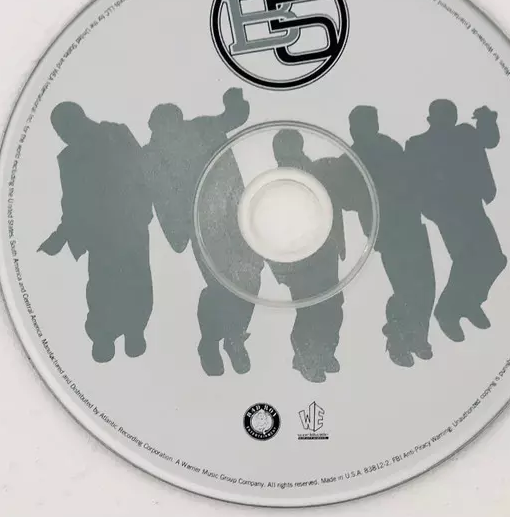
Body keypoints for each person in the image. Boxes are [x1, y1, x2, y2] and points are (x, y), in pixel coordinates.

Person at [143, 88, 263, 376]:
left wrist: (234, 97)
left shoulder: (203, 127)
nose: (170, 133)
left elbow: (234, 117)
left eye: (174, 125)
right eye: (163, 130)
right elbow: (152, 190)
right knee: (222, 287)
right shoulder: (151, 155)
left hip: (234, 217)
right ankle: (212, 342)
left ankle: (233, 336)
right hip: (201, 227)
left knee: (250, 279)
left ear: (181, 121)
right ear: (155, 131)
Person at [39, 102, 154, 363]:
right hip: (101, 235)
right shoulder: (68, 158)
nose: (62, 136)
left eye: (62, 129)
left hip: (130, 227)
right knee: (102, 287)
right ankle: (104, 336)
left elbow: (144, 171)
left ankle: (134, 331)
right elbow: (71, 202)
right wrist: (60, 236)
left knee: (135, 281)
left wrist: (143, 211)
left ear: (76, 120)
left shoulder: (117, 133)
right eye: (59, 132)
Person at [405, 100, 507, 342]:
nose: (448, 119)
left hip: (472, 206)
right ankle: (447, 311)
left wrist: (487, 119)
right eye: (443, 115)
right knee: (466, 259)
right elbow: (412, 182)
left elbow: (490, 140)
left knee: (495, 259)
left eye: (451, 115)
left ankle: (469, 302)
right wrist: (430, 209)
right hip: (447, 212)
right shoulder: (418, 144)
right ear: (431, 118)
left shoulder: (465, 134)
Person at [349, 105, 436, 367]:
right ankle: (398, 338)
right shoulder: (354, 157)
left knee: (426, 285)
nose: (367, 128)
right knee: (407, 287)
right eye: (362, 124)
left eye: (370, 122)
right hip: (388, 231)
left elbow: (411, 178)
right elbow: (352, 198)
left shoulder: (389, 146)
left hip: (409, 224)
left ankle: (416, 335)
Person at [270, 128, 355, 383]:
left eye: (290, 146)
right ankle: (307, 359)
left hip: (324, 253)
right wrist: (279, 268)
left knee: (332, 304)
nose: (286, 153)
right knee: (309, 309)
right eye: (282, 149)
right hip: (298, 260)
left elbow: (334, 205)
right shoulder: (273, 184)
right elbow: (269, 230)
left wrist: (338, 243)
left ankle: (325, 352)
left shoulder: (318, 172)